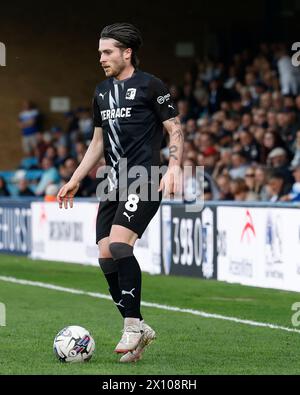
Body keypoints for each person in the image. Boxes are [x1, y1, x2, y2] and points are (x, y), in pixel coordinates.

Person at [57, 23, 183, 363]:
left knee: (118, 244)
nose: (101, 58)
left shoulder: (150, 85)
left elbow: (174, 129)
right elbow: (97, 143)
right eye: (100, 52)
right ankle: (140, 328)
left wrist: (173, 167)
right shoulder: (100, 92)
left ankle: (130, 324)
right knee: (105, 256)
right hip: (113, 183)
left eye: (107, 52)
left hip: (144, 177)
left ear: (127, 53)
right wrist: (76, 178)